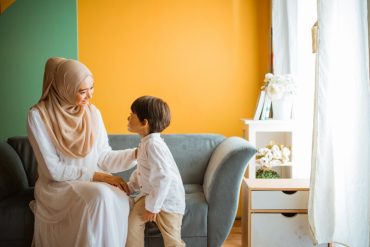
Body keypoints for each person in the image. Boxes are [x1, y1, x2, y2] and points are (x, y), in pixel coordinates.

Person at [28, 57, 135, 246]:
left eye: (92, 88)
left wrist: (136, 154)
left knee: (119, 195)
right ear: (64, 89)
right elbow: (53, 170)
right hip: (58, 186)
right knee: (99, 197)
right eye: (82, 91)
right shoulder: (38, 116)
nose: (90, 96)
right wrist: (101, 177)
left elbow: (103, 156)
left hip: (91, 182)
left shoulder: (92, 113)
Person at [125, 96, 186, 247]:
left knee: (173, 240)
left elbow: (163, 177)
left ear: (144, 123)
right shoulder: (145, 143)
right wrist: (131, 186)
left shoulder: (153, 145)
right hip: (149, 196)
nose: (128, 117)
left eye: (132, 114)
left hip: (168, 201)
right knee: (132, 229)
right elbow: (142, 170)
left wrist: (153, 208)